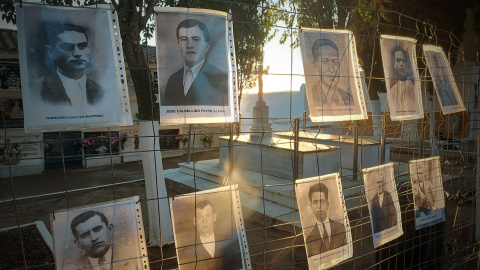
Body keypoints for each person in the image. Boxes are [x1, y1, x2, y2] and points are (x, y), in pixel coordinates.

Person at [163, 19, 228, 106]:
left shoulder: (220, 79)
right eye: (184, 39)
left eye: (196, 39)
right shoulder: (173, 79)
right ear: (178, 44)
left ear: (207, 46)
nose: (189, 45)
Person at [41, 23, 103, 109]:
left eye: (82, 46)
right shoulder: (40, 89)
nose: (77, 53)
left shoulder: (100, 90)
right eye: (67, 47)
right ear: (51, 52)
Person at [181, 200, 243, 269]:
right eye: (200, 217)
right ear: (195, 221)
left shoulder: (227, 241)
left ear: (214, 217)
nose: (204, 221)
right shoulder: (189, 250)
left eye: (208, 216)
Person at [71, 210, 136, 269]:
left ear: (110, 230)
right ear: (78, 243)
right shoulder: (73, 267)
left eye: (97, 229)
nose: (94, 238)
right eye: (85, 235)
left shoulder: (132, 255)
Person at [305, 182, 347, 257]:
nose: (319, 206)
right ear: (311, 207)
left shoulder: (341, 228)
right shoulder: (309, 239)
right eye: (315, 202)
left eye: (322, 201)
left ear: (327, 205)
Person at [310, 38, 354, 107]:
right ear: (316, 66)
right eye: (325, 62)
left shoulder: (349, 97)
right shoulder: (311, 94)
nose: (332, 69)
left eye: (335, 63)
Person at [388, 46, 418, 115]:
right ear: (394, 65)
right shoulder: (392, 90)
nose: (401, 64)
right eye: (398, 60)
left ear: (406, 64)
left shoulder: (415, 87)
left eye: (403, 61)